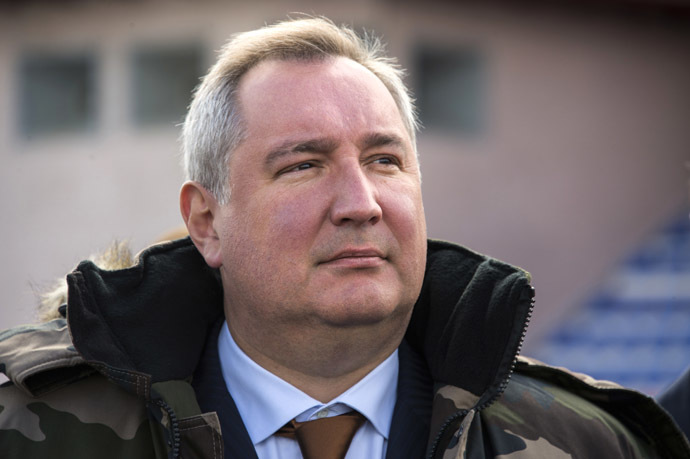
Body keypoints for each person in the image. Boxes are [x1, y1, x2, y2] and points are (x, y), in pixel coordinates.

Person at [1, 16, 688, 459]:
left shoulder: (592, 444)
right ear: (207, 222)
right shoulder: (32, 435)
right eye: (304, 164)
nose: (361, 204)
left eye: (386, 161)